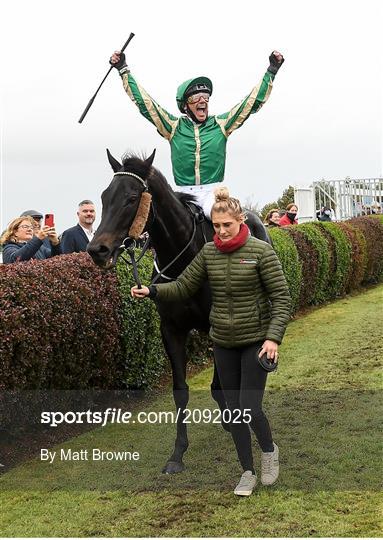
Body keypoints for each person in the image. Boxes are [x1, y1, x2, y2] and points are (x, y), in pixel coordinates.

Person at [131, 188, 291, 496]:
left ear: (240, 220)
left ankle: (269, 451)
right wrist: (151, 291)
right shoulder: (208, 253)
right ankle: (247, 471)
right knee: (232, 410)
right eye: (216, 226)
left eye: (226, 225)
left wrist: (273, 338)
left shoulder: (261, 251)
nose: (221, 232)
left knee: (249, 408)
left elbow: (282, 298)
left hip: (254, 341)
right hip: (223, 342)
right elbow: (182, 286)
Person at [110, 49, 285, 217]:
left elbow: (250, 103)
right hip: (182, 193)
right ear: (185, 106)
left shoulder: (221, 124)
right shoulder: (173, 126)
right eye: (195, 98)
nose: (202, 101)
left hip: (213, 193)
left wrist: (271, 71)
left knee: (225, 218)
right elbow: (145, 103)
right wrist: (124, 70)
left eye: (205, 97)